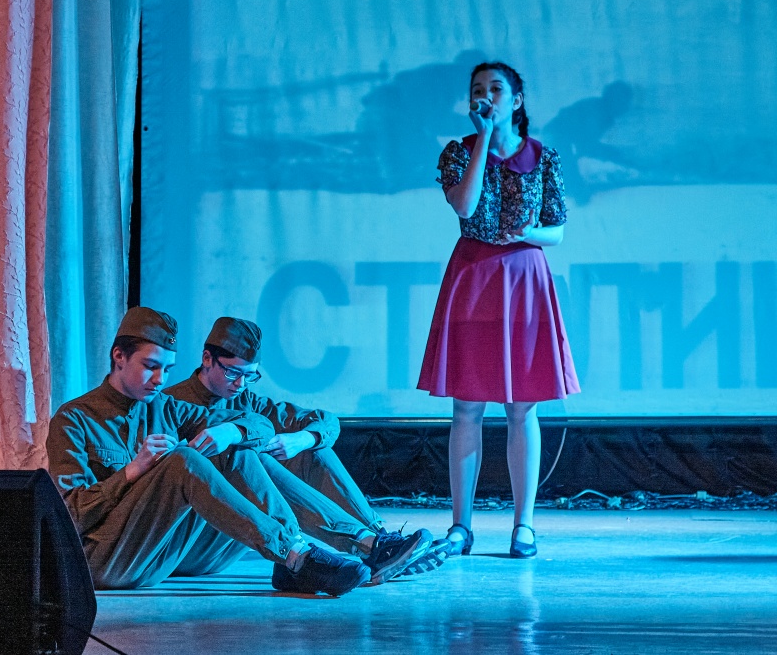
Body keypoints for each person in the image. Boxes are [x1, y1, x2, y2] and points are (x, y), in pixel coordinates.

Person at [47, 307, 370, 596]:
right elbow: (71, 515)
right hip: (105, 561)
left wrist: (229, 432)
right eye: (150, 366)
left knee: (232, 448)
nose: (159, 379)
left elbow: (261, 425)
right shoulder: (74, 418)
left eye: (167, 370)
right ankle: (296, 556)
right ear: (119, 356)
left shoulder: (166, 407)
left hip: (163, 556)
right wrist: (133, 470)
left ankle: (305, 550)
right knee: (183, 460)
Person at [417, 62, 581, 560]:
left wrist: (528, 233)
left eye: (496, 89)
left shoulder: (543, 156)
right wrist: (484, 139)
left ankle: (523, 525)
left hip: (524, 281)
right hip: (473, 279)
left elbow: (557, 230)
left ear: (517, 99)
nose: (486, 96)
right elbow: (466, 208)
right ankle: (460, 526)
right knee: (467, 406)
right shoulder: (459, 151)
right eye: (477, 90)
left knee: (522, 406)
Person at [165, 316, 434, 583]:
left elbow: (327, 421)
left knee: (311, 448)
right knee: (245, 455)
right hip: (189, 543)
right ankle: (351, 547)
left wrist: (301, 440)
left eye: (250, 376)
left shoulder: (245, 400)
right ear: (207, 359)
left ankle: (378, 541)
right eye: (233, 373)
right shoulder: (171, 403)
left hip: (239, 536)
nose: (240, 384)